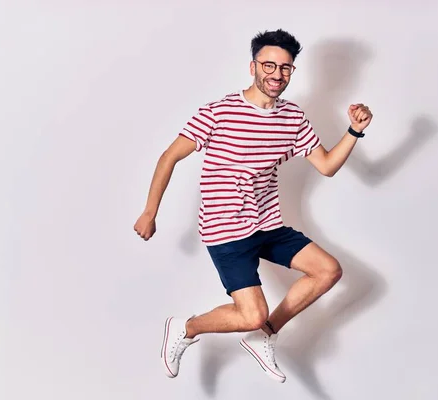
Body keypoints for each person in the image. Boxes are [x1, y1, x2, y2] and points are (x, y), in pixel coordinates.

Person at [133, 29, 373, 383]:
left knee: (328, 271)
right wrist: (150, 212)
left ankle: (265, 334)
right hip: (226, 230)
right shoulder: (219, 112)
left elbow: (326, 166)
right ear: (252, 67)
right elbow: (169, 156)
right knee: (248, 314)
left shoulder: (292, 118)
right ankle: (185, 328)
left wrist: (354, 130)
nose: (277, 74)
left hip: (267, 224)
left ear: (293, 71)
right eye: (269, 65)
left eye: (286, 68)